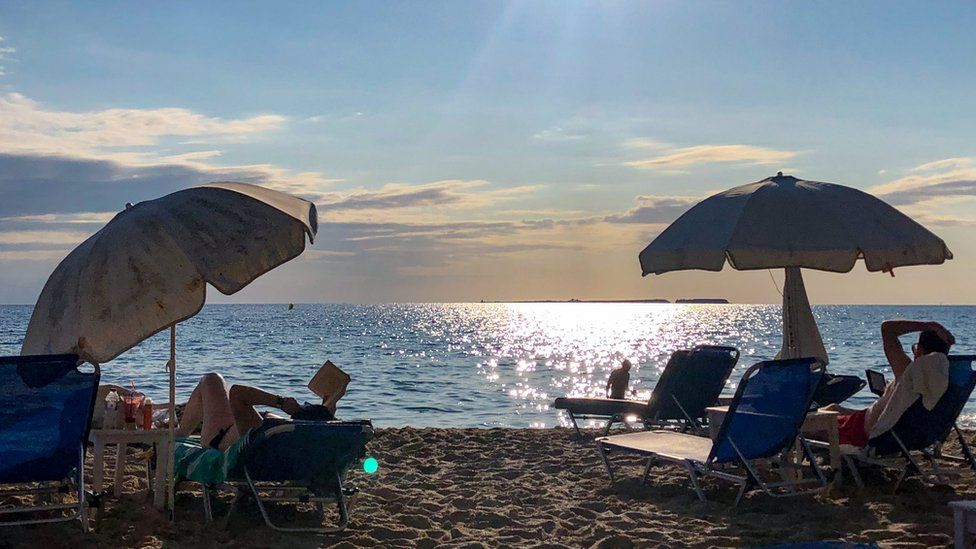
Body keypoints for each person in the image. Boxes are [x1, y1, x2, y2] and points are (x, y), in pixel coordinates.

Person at [824, 319, 955, 448]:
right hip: (898, 430)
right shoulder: (946, 380)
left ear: (919, 350)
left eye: (915, 348)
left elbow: (887, 328)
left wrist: (930, 325)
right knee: (834, 408)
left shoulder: (906, 370)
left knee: (810, 426)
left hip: (863, 432)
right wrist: (890, 393)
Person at [172, 372, 308, 483]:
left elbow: (237, 392)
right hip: (264, 448)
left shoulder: (290, 429)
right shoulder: (312, 438)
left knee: (212, 379)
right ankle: (181, 431)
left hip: (223, 443)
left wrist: (282, 403)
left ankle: (181, 432)